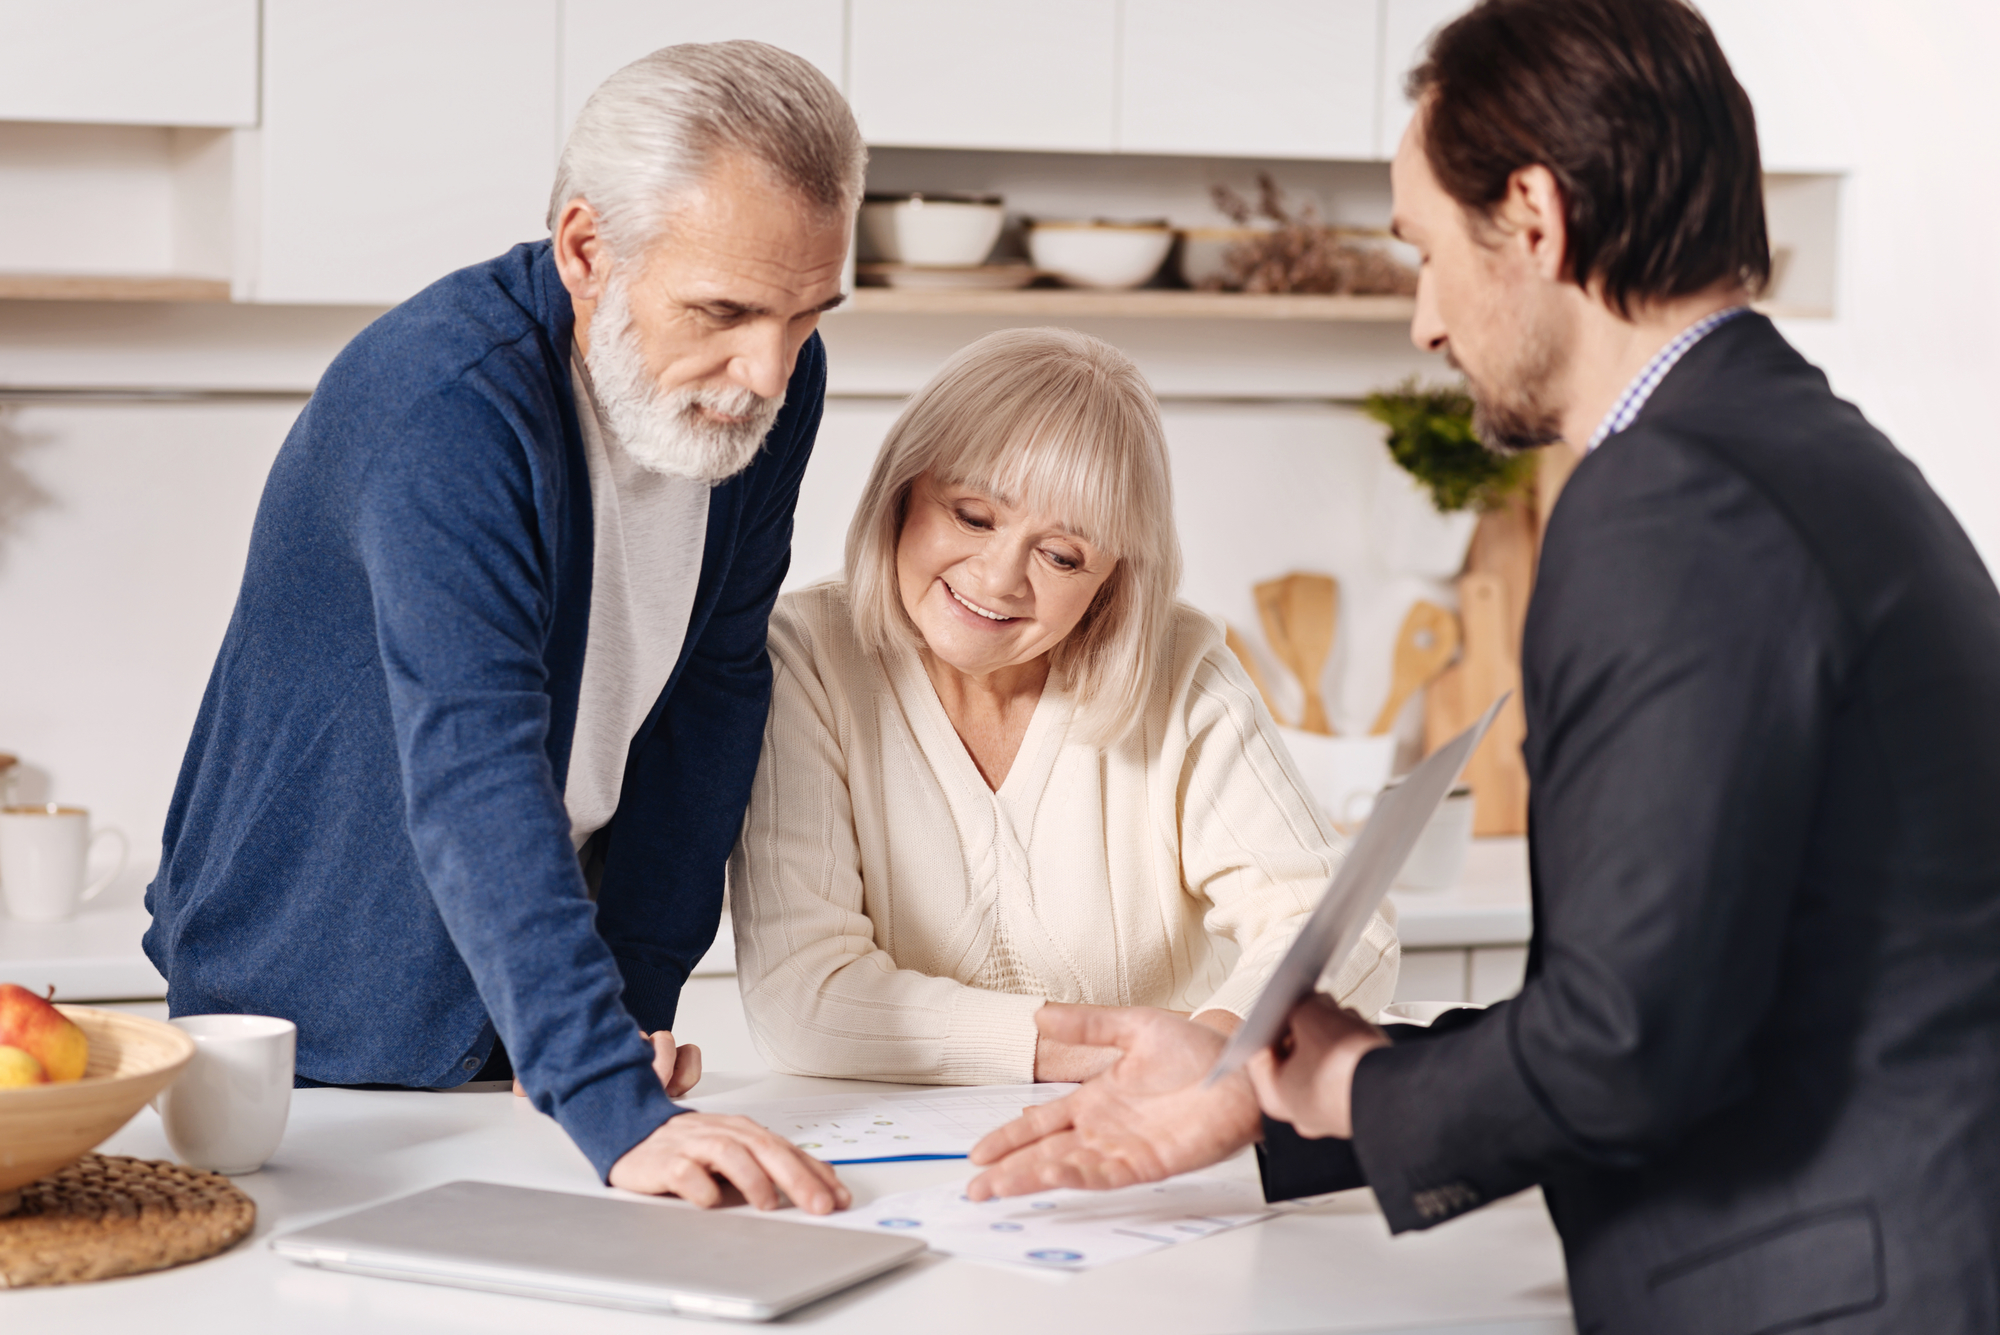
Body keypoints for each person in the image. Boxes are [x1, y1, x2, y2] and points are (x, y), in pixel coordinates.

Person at [965, 1, 2000, 1328]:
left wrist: (1350, 1087)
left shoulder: (1669, 497)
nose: (1425, 322)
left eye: (1425, 251)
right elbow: (1689, 991)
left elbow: (1624, 1044)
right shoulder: (1802, 449)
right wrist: (1275, 1083)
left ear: (1533, 215)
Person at [144, 43, 867, 1214]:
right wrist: (604, 1094)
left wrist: (622, 1014)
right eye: (725, 311)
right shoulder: (442, 407)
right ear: (587, 249)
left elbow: (713, 695)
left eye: (806, 313)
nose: (768, 370)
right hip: (326, 1030)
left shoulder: (768, 381)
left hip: (536, 1029)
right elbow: (475, 764)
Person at [729, 328, 1399, 1084]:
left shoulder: (1180, 667)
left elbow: (1342, 926)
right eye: (973, 516)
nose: (999, 576)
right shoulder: (806, 654)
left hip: (1158, 1140)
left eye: (1062, 555)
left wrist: (1212, 1046)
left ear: (1111, 580)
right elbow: (806, 998)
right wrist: (1138, 1048)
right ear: (902, 494)